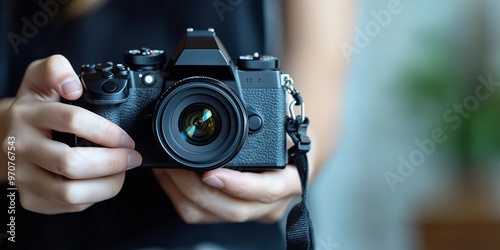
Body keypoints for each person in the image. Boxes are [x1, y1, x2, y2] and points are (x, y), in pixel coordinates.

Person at [0, 0, 354, 248]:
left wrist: (289, 162)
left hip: (237, 233)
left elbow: (317, 89)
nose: (196, 123)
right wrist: (11, 146)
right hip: (41, 223)